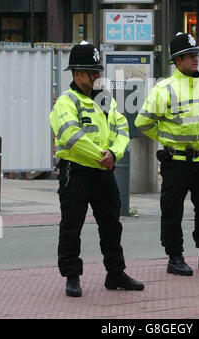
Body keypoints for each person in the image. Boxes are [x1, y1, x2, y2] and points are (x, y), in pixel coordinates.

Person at [50, 41, 144, 296]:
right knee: (72, 225)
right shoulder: (66, 102)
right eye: (93, 72)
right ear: (77, 73)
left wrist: (113, 153)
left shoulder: (105, 101)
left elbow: (122, 128)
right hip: (77, 172)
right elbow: (70, 134)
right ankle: (72, 276)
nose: (98, 76)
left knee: (112, 224)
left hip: (104, 171)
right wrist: (100, 156)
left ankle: (115, 273)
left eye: (98, 71)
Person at [135, 32, 199, 276]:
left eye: (196, 54)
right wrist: (165, 139)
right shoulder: (164, 89)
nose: (195, 59)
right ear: (177, 61)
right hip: (176, 161)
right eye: (189, 56)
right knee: (172, 210)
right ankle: (175, 257)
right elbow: (142, 122)